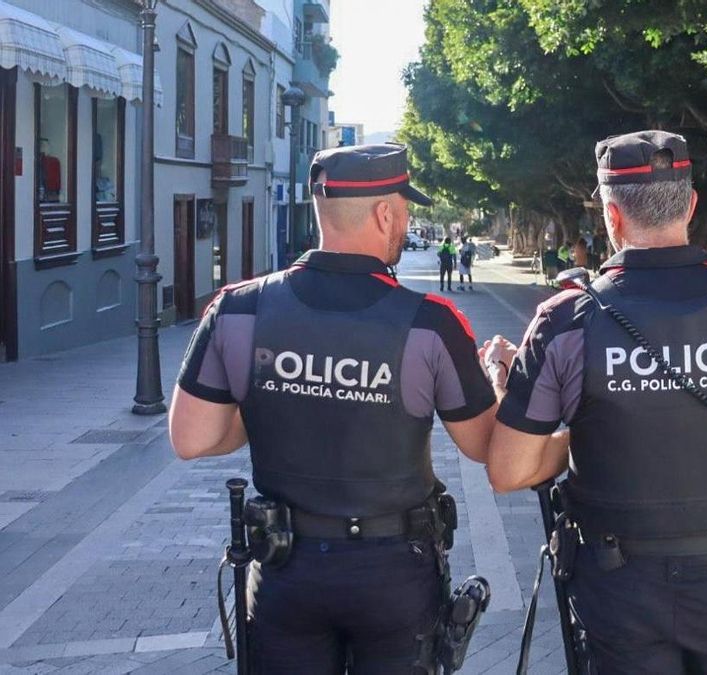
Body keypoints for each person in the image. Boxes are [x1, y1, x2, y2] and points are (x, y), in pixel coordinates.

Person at [481, 130, 707, 673]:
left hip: (617, 590)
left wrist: (573, 429)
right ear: (691, 205)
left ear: (611, 213)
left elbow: (510, 471)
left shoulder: (565, 321)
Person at [168, 143, 500, 673]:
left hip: (285, 569)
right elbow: (487, 448)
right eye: (405, 208)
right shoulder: (431, 322)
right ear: (385, 213)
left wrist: (280, 399)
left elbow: (193, 438)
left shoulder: (238, 307)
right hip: (393, 571)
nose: (406, 219)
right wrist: (499, 379)